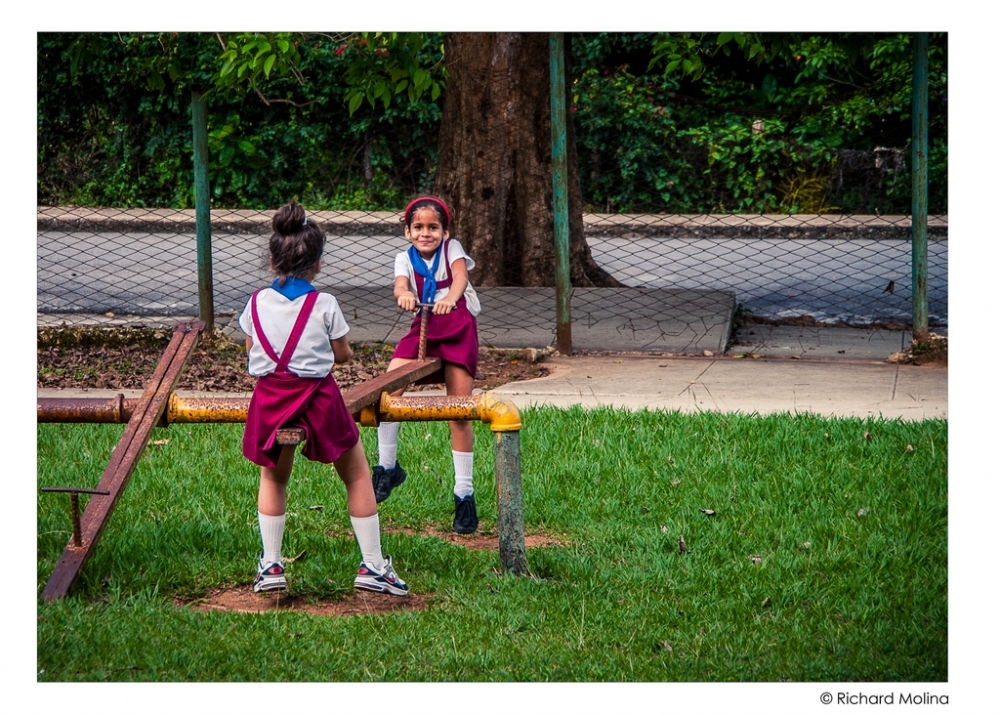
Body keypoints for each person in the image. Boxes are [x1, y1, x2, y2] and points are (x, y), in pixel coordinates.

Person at [240, 200, 408, 596]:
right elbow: (342, 354)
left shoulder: (254, 303)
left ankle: (271, 565)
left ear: (271, 260)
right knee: (357, 475)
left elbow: (252, 350)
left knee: (273, 476)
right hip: (318, 399)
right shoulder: (325, 304)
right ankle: (372, 565)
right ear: (317, 263)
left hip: (269, 401)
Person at [372, 195, 482, 534]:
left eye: (433, 227)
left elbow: (460, 278)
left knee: (458, 411)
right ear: (407, 231)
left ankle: (464, 493)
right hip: (423, 328)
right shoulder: (403, 258)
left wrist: (451, 297)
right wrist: (403, 295)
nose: (425, 233)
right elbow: (400, 284)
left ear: (445, 232)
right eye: (418, 227)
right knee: (386, 394)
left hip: (457, 327)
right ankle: (387, 467)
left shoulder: (453, 251)